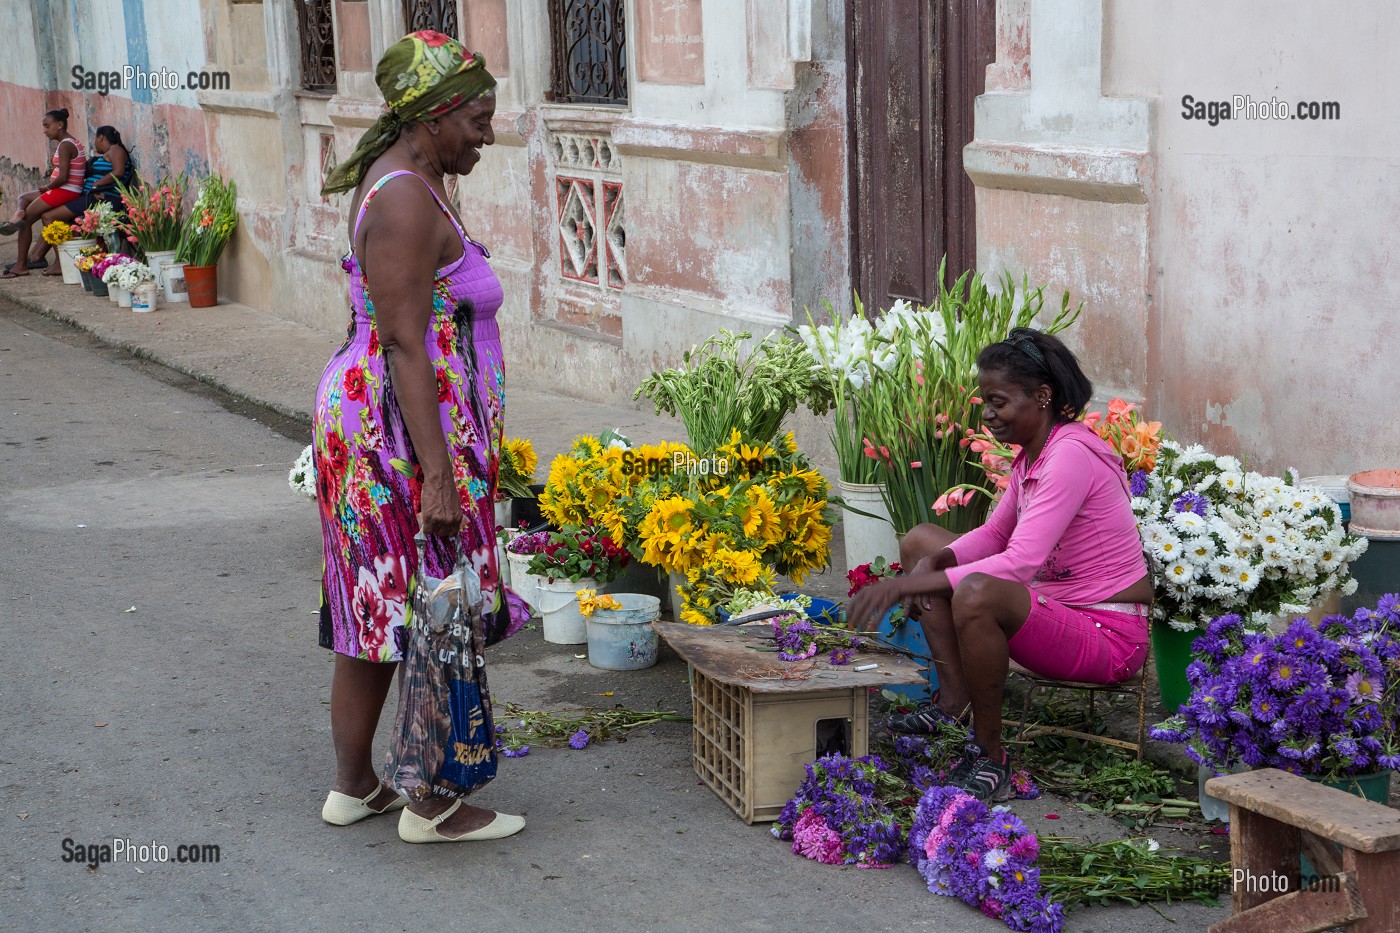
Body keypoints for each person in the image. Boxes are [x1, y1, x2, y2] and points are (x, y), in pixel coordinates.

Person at [312, 30, 529, 844]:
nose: (487, 133)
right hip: (397, 435)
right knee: (435, 601)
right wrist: (437, 474)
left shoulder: (417, 179)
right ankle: (433, 801)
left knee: (378, 599)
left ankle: (355, 785)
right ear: (435, 115)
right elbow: (403, 339)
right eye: (477, 118)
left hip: (382, 424)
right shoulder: (404, 195)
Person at [849, 328, 1152, 802]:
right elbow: (994, 534)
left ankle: (992, 758)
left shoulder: (1069, 456)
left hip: (1107, 634)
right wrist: (933, 561)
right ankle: (953, 701)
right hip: (1058, 608)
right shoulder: (1033, 455)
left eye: (999, 401)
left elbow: (1020, 561)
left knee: (976, 591)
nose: (988, 414)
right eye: (984, 402)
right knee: (919, 542)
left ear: (1043, 396)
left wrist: (907, 588)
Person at [26, 125, 136, 274]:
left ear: (101, 137)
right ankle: (37, 256)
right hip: (91, 197)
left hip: (102, 198)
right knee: (55, 215)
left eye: (95, 139)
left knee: (49, 217)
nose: (94, 144)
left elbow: (119, 171)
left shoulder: (115, 149)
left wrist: (97, 184)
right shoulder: (109, 153)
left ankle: (60, 264)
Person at [1, 109, 86, 277]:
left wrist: (48, 188)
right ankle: (16, 215)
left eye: (47, 126)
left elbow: (63, 177)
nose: (45, 130)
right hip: (63, 189)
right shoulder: (69, 142)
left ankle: (21, 265)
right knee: (23, 198)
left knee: (26, 219)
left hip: (65, 190)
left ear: (60, 125)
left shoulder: (66, 145)